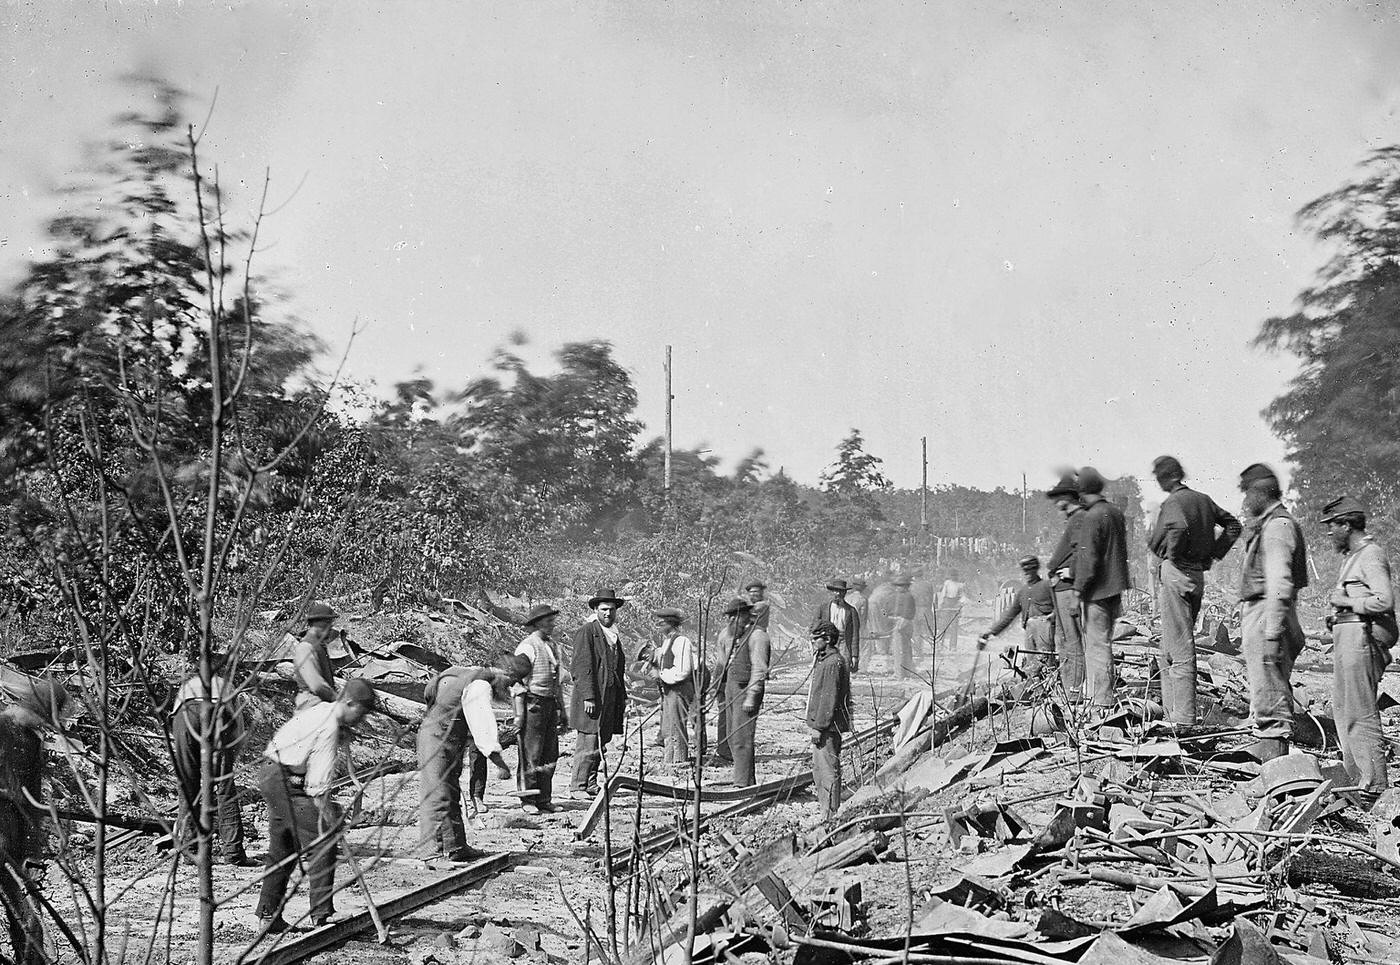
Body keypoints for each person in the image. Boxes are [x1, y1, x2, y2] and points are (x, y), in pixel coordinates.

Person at [256, 679, 378, 933]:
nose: (361, 719)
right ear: (349, 702)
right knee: (324, 840)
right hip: (285, 780)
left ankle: (268, 916)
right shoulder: (329, 724)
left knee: (284, 848)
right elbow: (318, 785)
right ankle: (321, 914)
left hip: (273, 774)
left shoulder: (322, 711)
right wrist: (329, 817)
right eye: (361, 713)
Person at [1146, 456, 1243, 726]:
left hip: (1176, 572)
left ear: (1166, 478)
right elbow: (1234, 526)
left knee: (1179, 649)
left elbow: (1172, 531)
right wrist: (1212, 555)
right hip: (1196, 575)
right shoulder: (1203, 499)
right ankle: (1171, 713)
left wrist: (1173, 554)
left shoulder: (1173, 503)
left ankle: (1184, 719)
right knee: (1169, 645)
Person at [1321, 495, 1395, 803]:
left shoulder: (1371, 554)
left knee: (1360, 713)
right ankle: (1357, 786)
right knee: (1344, 711)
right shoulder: (1353, 557)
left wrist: (1347, 604)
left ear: (1347, 524)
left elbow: (1385, 601)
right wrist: (1336, 618)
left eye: (1332, 526)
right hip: (1349, 635)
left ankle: (1374, 789)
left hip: (1363, 638)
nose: (1329, 533)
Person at [1237, 463, 1309, 762]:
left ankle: (1274, 758)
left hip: (1270, 610)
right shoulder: (1271, 524)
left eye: (1247, 494)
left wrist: (1271, 630)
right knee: (1266, 683)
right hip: (1268, 610)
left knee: (1270, 685)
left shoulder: (1278, 526)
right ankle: (1270, 753)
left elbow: (1280, 581)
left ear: (1259, 492)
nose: (1244, 502)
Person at [418, 658, 523, 860]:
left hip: (440, 735)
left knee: (450, 791)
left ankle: (455, 846)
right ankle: (435, 853)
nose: (507, 691)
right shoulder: (480, 686)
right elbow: (484, 733)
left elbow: (429, 691)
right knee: (439, 793)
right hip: (438, 739)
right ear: (501, 676)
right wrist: (502, 766)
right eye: (508, 684)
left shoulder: (462, 671)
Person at [0, 678, 69, 964]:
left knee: (27, 914)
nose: (42, 723)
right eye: (41, 716)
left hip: (14, 842)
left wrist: (34, 854)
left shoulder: (30, 742)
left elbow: (32, 804)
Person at [169, 654, 253, 866]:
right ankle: (233, 853)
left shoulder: (186, 687)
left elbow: (175, 725)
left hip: (184, 716)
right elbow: (236, 728)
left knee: (188, 787)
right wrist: (228, 760)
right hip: (217, 713)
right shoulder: (226, 686)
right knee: (225, 788)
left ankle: (190, 850)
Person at [1074, 467, 1130, 711]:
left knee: (1096, 647)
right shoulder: (1114, 513)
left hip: (1096, 592)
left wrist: (1078, 591)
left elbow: (1087, 560)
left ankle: (1101, 701)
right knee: (1104, 643)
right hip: (1114, 590)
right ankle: (1102, 696)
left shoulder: (1092, 516)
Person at [568, 589, 629, 799]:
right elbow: (581, 666)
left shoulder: (613, 634)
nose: (608, 614)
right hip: (593, 697)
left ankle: (591, 783)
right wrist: (589, 697)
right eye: (604, 610)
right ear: (596, 610)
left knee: (601, 740)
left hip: (609, 696)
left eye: (612, 610)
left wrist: (622, 697)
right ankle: (578, 786)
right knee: (588, 740)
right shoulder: (587, 632)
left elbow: (616, 668)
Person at [512, 604, 564, 815]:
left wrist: (562, 710)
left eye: (553, 620)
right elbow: (515, 681)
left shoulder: (553, 646)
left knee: (550, 753)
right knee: (531, 754)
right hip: (533, 703)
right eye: (549, 620)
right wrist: (519, 714)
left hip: (550, 704)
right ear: (538, 623)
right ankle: (528, 799)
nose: (552, 624)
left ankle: (544, 798)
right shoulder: (527, 647)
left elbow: (557, 681)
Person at [716, 597, 771, 787]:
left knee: (742, 738)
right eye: (729, 618)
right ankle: (746, 779)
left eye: (735, 617)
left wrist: (752, 695)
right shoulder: (731, 634)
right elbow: (724, 660)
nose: (731, 621)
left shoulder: (757, 636)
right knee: (732, 735)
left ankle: (742, 783)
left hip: (746, 690)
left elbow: (759, 668)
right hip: (732, 687)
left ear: (746, 616)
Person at [978, 556, 1056, 678]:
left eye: (1030, 570)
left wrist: (1053, 616)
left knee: (1046, 662)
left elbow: (1059, 606)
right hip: (1029, 630)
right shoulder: (1023, 592)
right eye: (1025, 571)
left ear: (1036, 570)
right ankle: (1034, 690)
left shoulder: (1046, 586)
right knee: (1031, 664)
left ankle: (1051, 690)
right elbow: (1009, 616)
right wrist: (991, 632)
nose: (1028, 574)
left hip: (1045, 628)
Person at [1045, 472, 1087, 700]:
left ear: (1069, 496)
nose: (1055, 500)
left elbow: (1085, 551)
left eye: (1059, 495)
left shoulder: (1079, 518)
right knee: (1065, 640)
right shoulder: (1074, 518)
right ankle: (1070, 687)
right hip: (1061, 587)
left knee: (1073, 640)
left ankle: (1075, 690)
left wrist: (1071, 571)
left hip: (1068, 587)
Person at [807, 622, 852, 823]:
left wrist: (818, 726)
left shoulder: (833, 663)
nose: (813, 642)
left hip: (827, 727)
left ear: (827, 639)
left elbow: (828, 699)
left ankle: (831, 814)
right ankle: (826, 810)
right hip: (825, 725)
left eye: (817, 638)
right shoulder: (826, 660)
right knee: (820, 770)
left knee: (827, 770)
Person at [648, 607, 698, 765]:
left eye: (661, 624)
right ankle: (668, 761)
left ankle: (679, 760)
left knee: (677, 727)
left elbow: (683, 671)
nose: (659, 627)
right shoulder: (667, 642)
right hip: (669, 690)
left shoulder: (682, 642)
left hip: (679, 690)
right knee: (668, 727)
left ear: (670, 624)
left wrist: (661, 675)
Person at [293, 601, 340, 710]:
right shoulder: (305, 647)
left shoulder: (319, 646)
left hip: (322, 704)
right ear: (320, 624)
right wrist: (336, 700)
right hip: (310, 704)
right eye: (328, 623)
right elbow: (317, 686)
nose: (330, 627)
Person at [812, 579, 862, 673]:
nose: (838, 594)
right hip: (827, 641)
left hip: (844, 642)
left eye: (841, 591)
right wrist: (816, 643)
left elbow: (855, 635)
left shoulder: (851, 611)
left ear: (845, 593)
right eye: (836, 591)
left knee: (844, 667)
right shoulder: (823, 608)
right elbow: (814, 627)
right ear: (832, 592)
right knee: (827, 667)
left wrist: (855, 655)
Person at [888, 574, 917, 678]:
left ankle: (899, 673)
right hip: (903, 622)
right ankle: (907, 672)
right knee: (904, 649)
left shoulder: (907, 596)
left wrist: (899, 626)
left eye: (900, 586)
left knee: (899, 649)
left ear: (906, 586)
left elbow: (907, 613)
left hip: (904, 623)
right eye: (897, 586)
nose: (897, 588)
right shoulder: (902, 596)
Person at [935, 571, 966, 650]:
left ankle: (953, 646)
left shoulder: (960, 585)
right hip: (947, 605)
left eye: (955, 575)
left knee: (954, 626)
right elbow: (943, 595)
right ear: (950, 576)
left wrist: (959, 603)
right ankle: (940, 644)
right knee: (943, 625)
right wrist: (941, 605)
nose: (954, 577)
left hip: (954, 606)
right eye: (952, 575)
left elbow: (963, 597)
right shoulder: (947, 583)